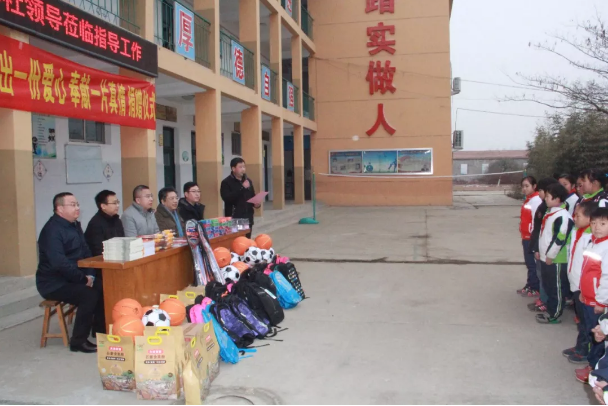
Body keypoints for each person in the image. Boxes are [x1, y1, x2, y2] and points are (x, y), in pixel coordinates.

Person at [36, 192, 104, 354]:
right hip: (54, 282)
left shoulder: (74, 225)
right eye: (72, 205)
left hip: (75, 276)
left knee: (104, 285)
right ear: (59, 209)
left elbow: (86, 252)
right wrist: (83, 279)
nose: (77, 208)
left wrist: (90, 275)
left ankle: (99, 329)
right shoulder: (52, 231)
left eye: (77, 204)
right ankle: (78, 342)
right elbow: (60, 264)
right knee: (88, 295)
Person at [576, 207, 608, 383]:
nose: (597, 227)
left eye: (602, 224)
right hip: (588, 297)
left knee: (598, 335)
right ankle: (592, 363)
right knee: (590, 330)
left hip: (598, 302)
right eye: (594, 223)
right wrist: (582, 291)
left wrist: (601, 302)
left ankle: (594, 368)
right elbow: (586, 272)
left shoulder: (606, 247)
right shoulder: (593, 242)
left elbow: (606, 278)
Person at [535, 182, 574, 324]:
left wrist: (551, 256)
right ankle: (551, 308)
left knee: (556, 288)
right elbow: (544, 235)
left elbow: (559, 239)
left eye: (548, 196)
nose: (545, 198)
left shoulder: (562, 216)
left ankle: (554, 314)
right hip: (546, 257)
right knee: (549, 285)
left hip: (556, 259)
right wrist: (539, 251)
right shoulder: (550, 213)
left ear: (557, 199)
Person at [562, 201, 595, 364]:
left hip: (584, 288)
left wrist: (583, 287)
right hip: (575, 283)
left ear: (589, 219)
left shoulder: (591, 238)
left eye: (578, 215)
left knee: (588, 322)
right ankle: (580, 345)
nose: (574, 218)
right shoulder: (577, 231)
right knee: (581, 319)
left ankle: (586, 350)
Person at [527, 177, 559, 310]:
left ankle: (546, 301)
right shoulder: (543, 206)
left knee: (546, 277)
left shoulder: (552, 210)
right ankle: (543, 298)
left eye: (541, 190)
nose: (539, 193)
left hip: (546, 249)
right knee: (541, 274)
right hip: (540, 246)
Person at [221, 157, 260, 238]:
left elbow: (252, 195)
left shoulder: (248, 181)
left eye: (244, 167)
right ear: (233, 169)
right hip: (236, 217)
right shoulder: (226, 182)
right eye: (240, 167)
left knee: (247, 241)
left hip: (248, 217)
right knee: (238, 242)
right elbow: (227, 198)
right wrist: (242, 188)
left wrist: (256, 204)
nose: (243, 169)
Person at [518, 176, 542, 297]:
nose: (524, 189)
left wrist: (533, 238)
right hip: (525, 237)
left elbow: (535, 222)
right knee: (529, 263)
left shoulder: (536, 200)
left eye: (527, 186)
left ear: (534, 186)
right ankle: (530, 284)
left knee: (532, 264)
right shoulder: (528, 200)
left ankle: (534, 287)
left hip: (531, 238)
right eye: (523, 186)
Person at [84, 190, 125, 258]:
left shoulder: (117, 220)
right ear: (103, 206)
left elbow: (122, 241)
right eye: (114, 203)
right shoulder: (95, 224)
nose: (117, 205)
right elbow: (98, 250)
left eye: (118, 202)